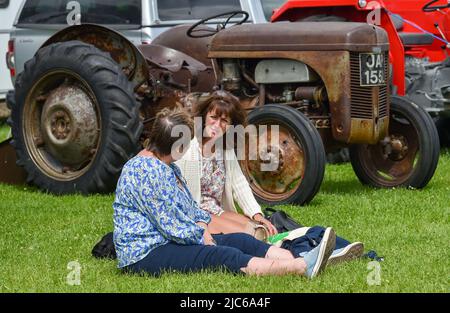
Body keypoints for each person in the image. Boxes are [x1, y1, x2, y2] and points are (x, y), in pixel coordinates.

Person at [112, 107, 336, 278]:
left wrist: (202, 225)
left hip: (169, 238)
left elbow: (189, 207)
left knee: (239, 239)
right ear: (176, 147)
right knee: (220, 255)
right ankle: (300, 267)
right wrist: (202, 236)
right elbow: (171, 226)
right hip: (145, 253)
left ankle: (300, 257)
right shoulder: (145, 171)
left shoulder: (166, 165)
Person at [175, 90, 364, 263]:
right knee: (250, 234)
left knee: (262, 229)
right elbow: (176, 193)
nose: (217, 125)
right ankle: (299, 257)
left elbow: (240, 185)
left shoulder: (226, 150)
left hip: (216, 210)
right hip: (197, 214)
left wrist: (258, 214)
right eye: (213, 118)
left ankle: (315, 249)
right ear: (203, 117)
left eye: (224, 121)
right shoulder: (188, 150)